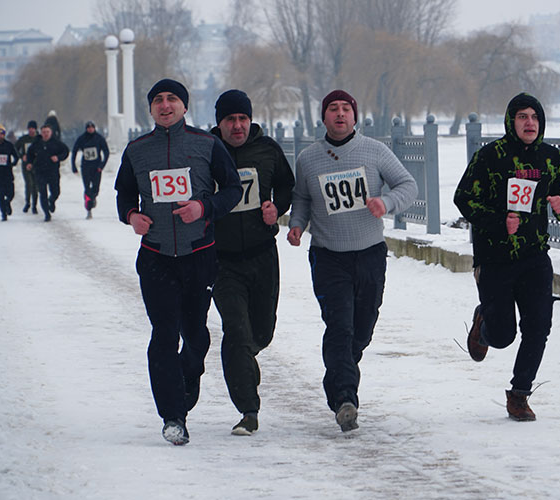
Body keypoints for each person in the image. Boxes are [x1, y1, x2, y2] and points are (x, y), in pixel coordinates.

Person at [114, 78, 242, 445]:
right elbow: (124, 191)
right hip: (156, 258)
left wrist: (204, 207)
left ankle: (185, 386)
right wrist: (131, 215)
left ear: (185, 107)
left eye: (172, 99)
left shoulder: (207, 144)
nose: (165, 105)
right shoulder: (137, 150)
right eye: (158, 100)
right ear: (151, 108)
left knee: (197, 337)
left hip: (199, 255)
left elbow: (232, 189)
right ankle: (172, 416)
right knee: (164, 335)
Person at [286, 90, 418, 432]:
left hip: (370, 253)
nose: (340, 114)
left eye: (346, 108)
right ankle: (345, 398)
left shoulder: (374, 151)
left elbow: (408, 184)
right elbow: (301, 197)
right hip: (329, 256)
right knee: (339, 327)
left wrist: (386, 203)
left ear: (355, 116)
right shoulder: (309, 158)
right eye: (333, 109)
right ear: (324, 117)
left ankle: (340, 374)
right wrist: (297, 224)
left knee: (361, 331)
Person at [453, 92, 560, 422]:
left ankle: (520, 394)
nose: (530, 123)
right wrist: (499, 223)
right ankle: (484, 325)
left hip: (535, 256)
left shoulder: (551, 158)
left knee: (539, 327)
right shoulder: (490, 156)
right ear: (511, 121)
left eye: (535, 117)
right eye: (522, 116)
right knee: (504, 335)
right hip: (495, 257)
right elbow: (463, 198)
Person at [210, 90, 295, 436]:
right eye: (230, 119)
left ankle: (244, 355)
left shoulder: (267, 149)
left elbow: (287, 186)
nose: (237, 126)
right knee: (236, 330)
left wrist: (278, 208)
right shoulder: (206, 151)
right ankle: (248, 408)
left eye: (243, 118)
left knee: (261, 331)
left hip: (262, 255)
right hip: (220, 258)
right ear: (219, 123)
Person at [26, 123, 68, 222]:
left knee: (56, 191)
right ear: (41, 133)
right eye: (44, 132)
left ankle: (52, 200)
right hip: (40, 171)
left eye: (47, 132)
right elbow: (29, 154)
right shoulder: (37, 144)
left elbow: (65, 152)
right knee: (42, 192)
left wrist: (58, 158)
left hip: (53, 171)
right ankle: (46, 214)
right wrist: (29, 163)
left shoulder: (56, 143)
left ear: (51, 132)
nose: (45, 134)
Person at [71, 121, 109, 219]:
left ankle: (92, 198)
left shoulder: (99, 138)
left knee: (95, 189)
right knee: (87, 189)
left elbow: (106, 152)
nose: (90, 129)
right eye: (89, 128)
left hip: (97, 168)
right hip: (85, 167)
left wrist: (102, 165)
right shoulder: (82, 139)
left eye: (92, 127)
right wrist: (73, 166)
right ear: (86, 129)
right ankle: (89, 209)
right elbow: (74, 151)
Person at [0, 124, 19, 221]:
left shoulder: (9, 145)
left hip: (7, 172)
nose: (0, 136)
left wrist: (13, 163)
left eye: (2, 134)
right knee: (1, 193)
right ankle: (3, 213)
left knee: (11, 192)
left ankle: (7, 202)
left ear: (4, 134)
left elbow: (16, 156)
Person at [14, 120, 40, 214]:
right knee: (28, 184)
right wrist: (21, 156)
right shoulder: (23, 139)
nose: (31, 130)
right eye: (30, 128)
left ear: (36, 129)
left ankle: (34, 206)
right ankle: (27, 203)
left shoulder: (39, 139)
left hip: (36, 165)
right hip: (26, 165)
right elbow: (15, 148)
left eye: (33, 128)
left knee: (35, 186)